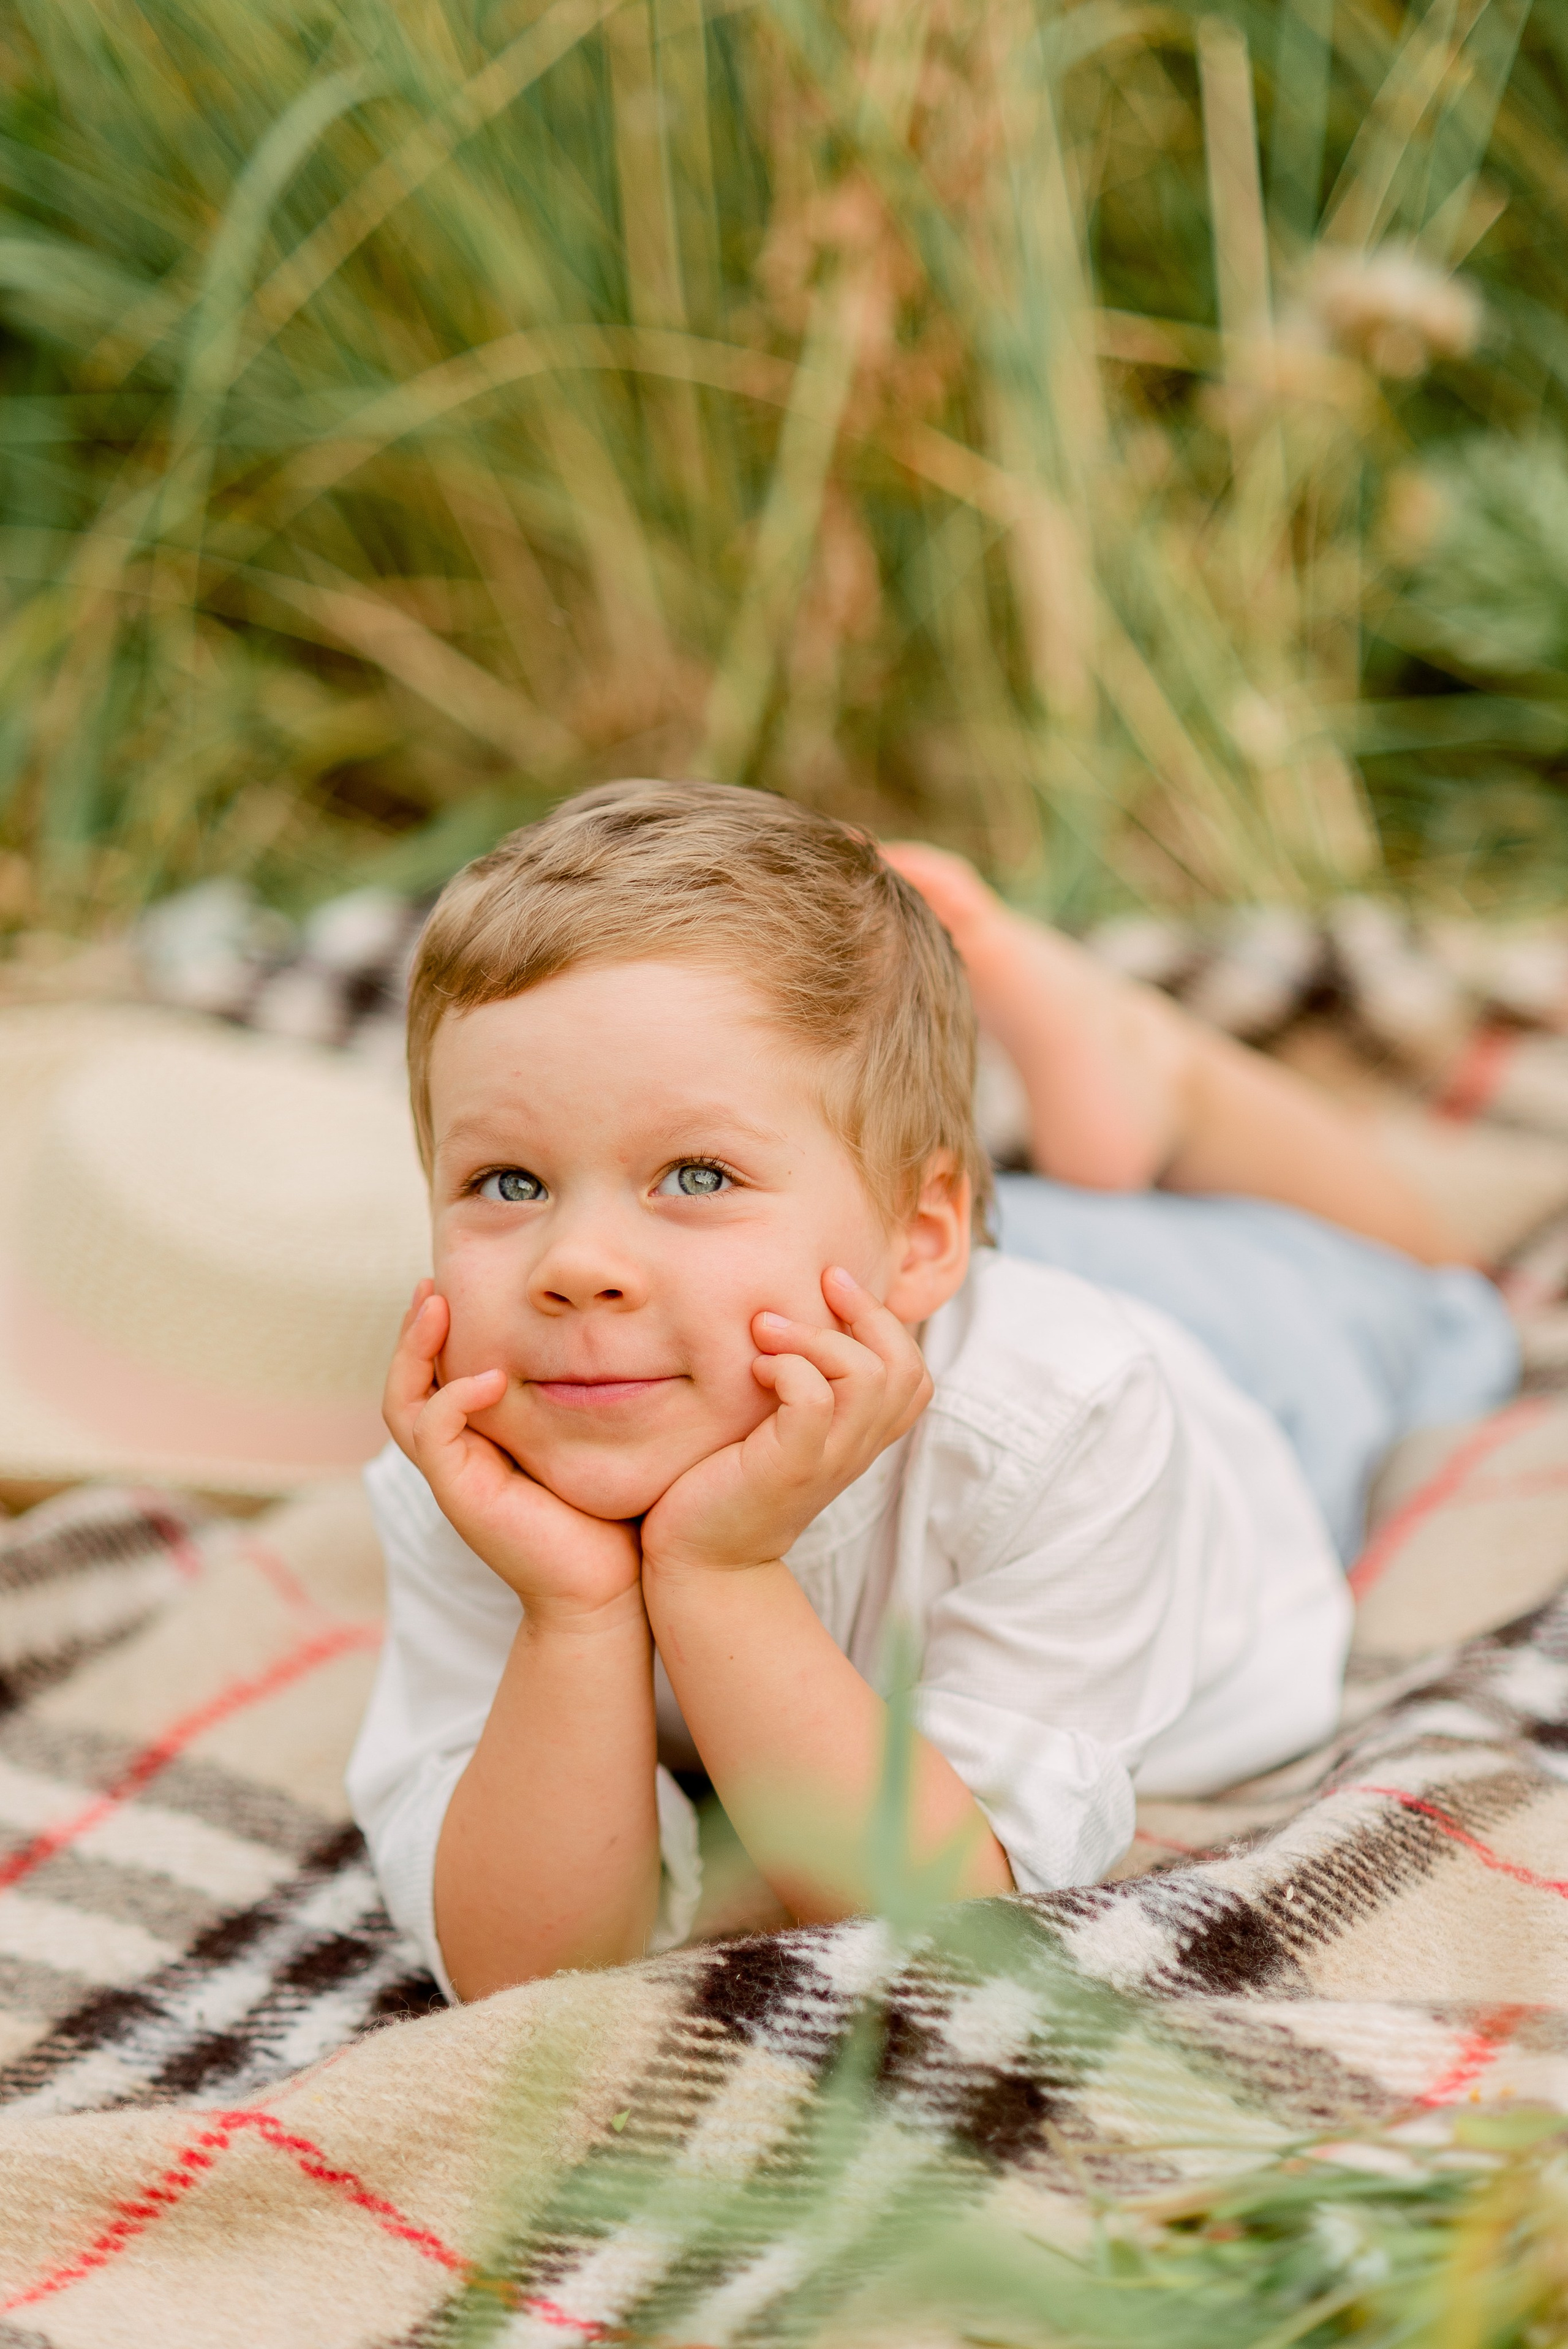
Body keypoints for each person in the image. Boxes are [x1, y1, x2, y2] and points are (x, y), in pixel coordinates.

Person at [348, 780, 1516, 2002]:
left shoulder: (1065, 1415)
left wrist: (718, 1573)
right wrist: (576, 1610)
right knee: (997, 1202)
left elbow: (935, 1918)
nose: (575, 1265)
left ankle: (1165, 1078)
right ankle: (1076, 1135)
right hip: (842, 1280)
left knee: (1437, 1298)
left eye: (693, 1173)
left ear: (922, 1238)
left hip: (1230, 1371)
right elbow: (518, 1970)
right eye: (508, 1184)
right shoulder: (473, 1468)